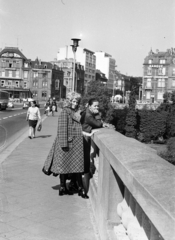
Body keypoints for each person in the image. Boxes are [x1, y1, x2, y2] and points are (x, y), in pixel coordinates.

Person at [42, 92, 88, 198]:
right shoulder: (65, 111)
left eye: (77, 101)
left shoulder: (75, 112)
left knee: (77, 166)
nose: (75, 103)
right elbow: (62, 129)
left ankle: (79, 189)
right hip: (67, 143)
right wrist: (64, 144)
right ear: (69, 101)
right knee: (63, 166)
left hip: (76, 144)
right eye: (73, 101)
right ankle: (63, 187)